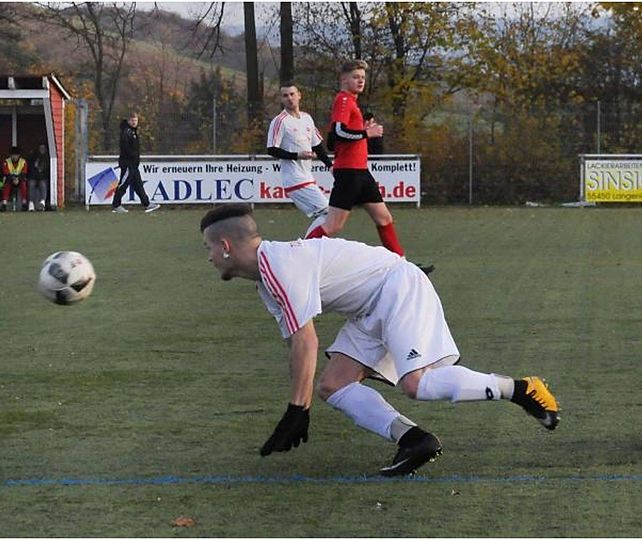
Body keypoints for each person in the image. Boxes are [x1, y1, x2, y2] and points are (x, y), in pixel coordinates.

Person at [200, 203, 560, 476]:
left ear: (226, 245)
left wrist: (297, 409)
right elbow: (297, 343)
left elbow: (306, 342)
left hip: (396, 286)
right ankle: (414, 440)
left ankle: (521, 389)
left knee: (417, 384)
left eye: (209, 249)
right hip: (371, 303)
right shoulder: (268, 276)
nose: (210, 258)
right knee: (333, 385)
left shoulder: (277, 266)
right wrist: (300, 405)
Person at [309, 59, 433, 274]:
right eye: (356, 77)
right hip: (349, 173)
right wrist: (367, 133)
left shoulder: (352, 102)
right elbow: (338, 132)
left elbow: (332, 141)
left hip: (361, 172)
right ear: (343, 79)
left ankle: (403, 267)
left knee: (384, 218)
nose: (360, 81)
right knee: (333, 226)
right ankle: (294, 260)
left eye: (363, 78)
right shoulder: (344, 100)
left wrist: (363, 132)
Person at [266, 82, 334, 221]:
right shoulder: (280, 121)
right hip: (294, 179)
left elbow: (317, 145)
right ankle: (308, 243)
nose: (290, 98)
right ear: (281, 99)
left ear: (299, 95)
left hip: (307, 176)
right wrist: (297, 156)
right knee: (328, 213)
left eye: (292, 94)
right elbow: (272, 149)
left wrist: (330, 166)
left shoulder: (306, 118)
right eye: (285, 96)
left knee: (324, 216)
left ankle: (310, 242)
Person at [111, 111, 161, 214]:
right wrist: (133, 156)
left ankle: (147, 204)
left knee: (138, 185)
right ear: (128, 121)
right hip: (128, 163)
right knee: (123, 184)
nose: (134, 122)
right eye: (132, 120)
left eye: (136, 120)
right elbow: (125, 147)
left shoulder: (132, 132)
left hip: (133, 164)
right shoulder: (126, 132)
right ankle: (116, 205)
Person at [1, 146, 29, 212]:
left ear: (19, 155)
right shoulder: (6, 162)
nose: (14, 157)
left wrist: (18, 179)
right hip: (10, 179)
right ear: (10, 155)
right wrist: (13, 179)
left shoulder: (23, 162)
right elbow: (5, 172)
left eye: (16, 155)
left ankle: (24, 203)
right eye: (12, 155)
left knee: (24, 185)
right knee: (6, 185)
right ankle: (4, 204)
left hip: (20, 179)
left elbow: (24, 172)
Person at [27, 144, 50, 212]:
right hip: (33, 176)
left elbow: (47, 171)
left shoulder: (47, 159)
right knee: (31, 184)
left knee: (43, 184)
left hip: (43, 177)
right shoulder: (33, 158)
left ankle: (42, 203)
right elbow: (30, 169)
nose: (42, 150)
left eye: (43, 148)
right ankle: (31, 204)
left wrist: (40, 172)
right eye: (40, 148)